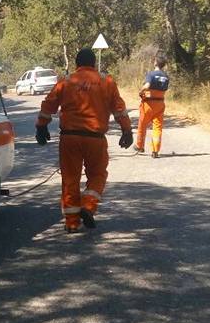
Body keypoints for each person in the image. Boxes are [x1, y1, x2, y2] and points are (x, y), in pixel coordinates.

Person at [35, 48, 133, 233]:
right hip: (95, 138)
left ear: (77, 64)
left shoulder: (66, 81)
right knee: (97, 175)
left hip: (69, 138)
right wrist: (126, 130)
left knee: (70, 178)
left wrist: (41, 126)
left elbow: (49, 104)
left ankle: (72, 223)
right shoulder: (107, 82)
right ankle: (88, 206)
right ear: (94, 63)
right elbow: (119, 109)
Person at [134, 53, 170, 158]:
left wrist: (141, 91)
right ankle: (155, 150)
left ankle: (140, 146)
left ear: (155, 62)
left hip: (148, 104)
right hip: (160, 103)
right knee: (157, 127)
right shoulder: (166, 76)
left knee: (142, 125)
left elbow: (147, 86)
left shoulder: (151, 74)